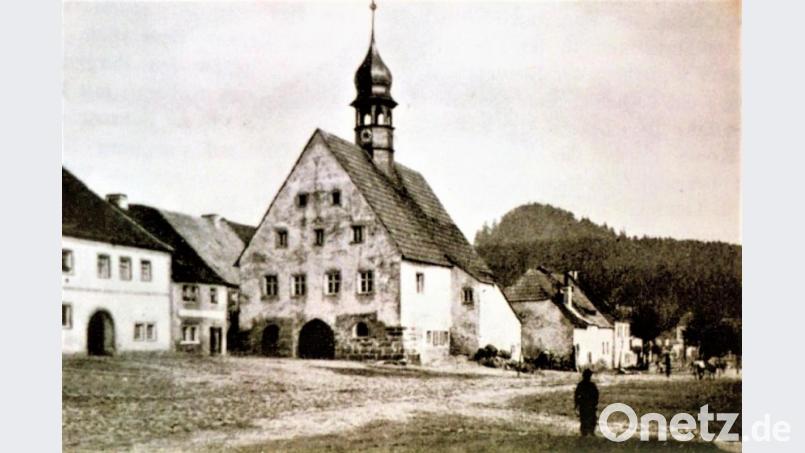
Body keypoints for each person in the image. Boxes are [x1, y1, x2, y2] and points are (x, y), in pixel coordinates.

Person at [574, 369, 599, 437]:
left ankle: (587, 432)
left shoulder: (581, 385)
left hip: (585, 405)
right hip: (588, 405)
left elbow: (576, 395)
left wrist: (576, 405)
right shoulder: (591, 385)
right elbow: (596, 395)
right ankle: (588, 432)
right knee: (589, 419)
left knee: (586, 419)